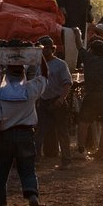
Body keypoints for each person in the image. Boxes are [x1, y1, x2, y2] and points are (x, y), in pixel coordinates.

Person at [0, 52, 49, 206]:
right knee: (28, 170)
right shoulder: (31, 89)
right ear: (23, 73)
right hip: (26, 136)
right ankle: (33, 197)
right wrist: (39, 54)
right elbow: (45, 75)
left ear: (7, 74)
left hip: (4, 137)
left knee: (0, 172)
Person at [73, 30, 103, 160]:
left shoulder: (88, 59)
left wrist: (77, 33)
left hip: (91, 96)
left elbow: (79, 45)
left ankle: (81, 150)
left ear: (91, 50)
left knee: (83, 123)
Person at [34, 36, 73, 170]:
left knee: (63, 132)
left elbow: (67, 83)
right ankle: (36, 160)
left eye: (46, 48)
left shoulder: (60, 64)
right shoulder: (38, 64)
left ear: (52, 49)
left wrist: (61, 99)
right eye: (42, 48)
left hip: (57, 101)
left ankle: (66, 161)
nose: (44, 50)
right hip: (44, 101)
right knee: (39, 132)